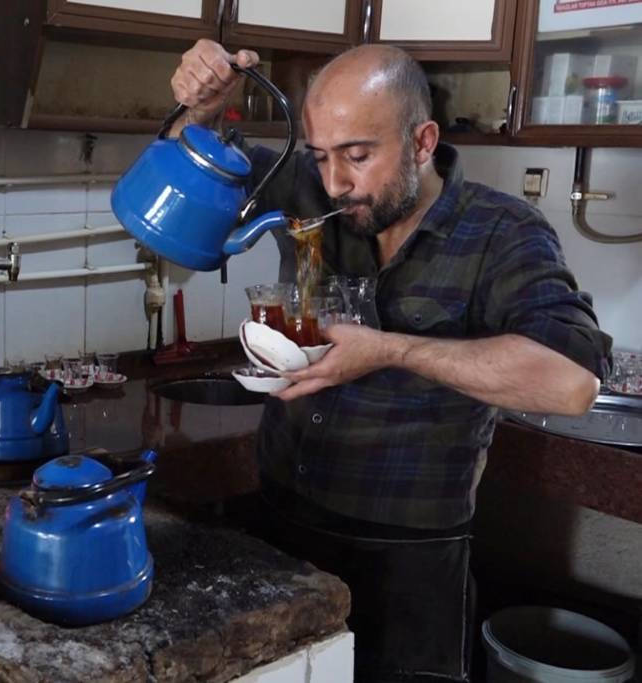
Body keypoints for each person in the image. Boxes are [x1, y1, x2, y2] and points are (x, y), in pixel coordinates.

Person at [169, 40, 613, 682]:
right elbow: (186, 213)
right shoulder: (303, 191)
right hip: (280, 532)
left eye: (358, 155)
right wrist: (202, 113)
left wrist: (389, 349)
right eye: (320, 156)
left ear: (423, 141)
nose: (335, 183)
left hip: (408, 563)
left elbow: (571, 384)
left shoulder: (502, 233)